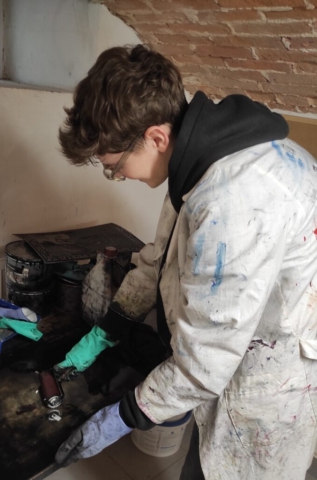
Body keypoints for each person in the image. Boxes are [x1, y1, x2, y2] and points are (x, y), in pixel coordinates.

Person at [54, 44, 317, 480]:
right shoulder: (199, 162)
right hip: (226, 366)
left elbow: (205, 363)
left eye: (114, 166)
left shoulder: (234, 199)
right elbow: (159, 258)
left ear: (156, 137)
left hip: (266, 390)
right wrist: (110, 327)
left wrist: (124, 415)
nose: (118, 177)